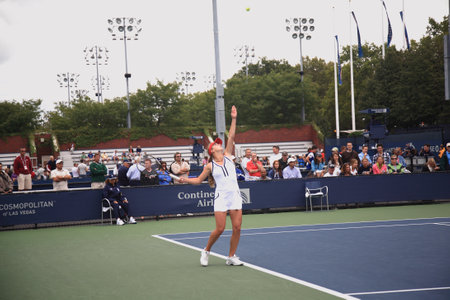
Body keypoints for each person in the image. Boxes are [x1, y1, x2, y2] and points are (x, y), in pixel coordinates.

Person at [179, 105, 244, 267]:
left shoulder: (228, 156)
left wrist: (234, 118)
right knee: (220, 228)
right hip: (221, 198)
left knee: (237, 227)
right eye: (216, 145)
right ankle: (206, 250)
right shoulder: (210, 166)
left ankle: (231, 256)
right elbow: (198, 180)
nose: (219, 145)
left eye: (219, 144)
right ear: (212, 150)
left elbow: (232, 136)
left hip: (235, 195)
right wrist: (185, 179)